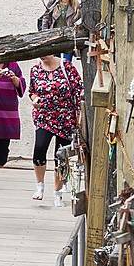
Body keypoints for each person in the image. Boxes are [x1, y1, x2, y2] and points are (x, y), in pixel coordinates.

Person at [29, 53, 83, 203]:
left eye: (45, 54)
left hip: (65, 118)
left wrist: (79, 115)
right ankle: (39, 186)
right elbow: (31, 91)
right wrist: (34, 99)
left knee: (61, 156)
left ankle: (57, 192)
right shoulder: (35, 69)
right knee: (39, 148)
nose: (43, 57)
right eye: (41, 54)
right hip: (43, 116)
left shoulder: (67, 67)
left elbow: (79, 91)